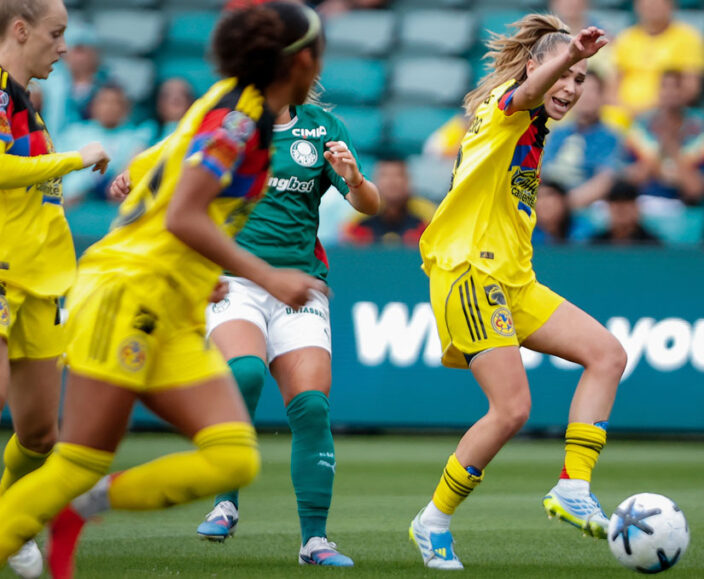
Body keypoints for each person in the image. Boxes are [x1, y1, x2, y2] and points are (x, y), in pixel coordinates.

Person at [0, 4, 327, 578]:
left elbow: (160, 172)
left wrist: (195, 270)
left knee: (234, 458)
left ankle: (83, 506)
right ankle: (62, 501)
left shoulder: (229, 103)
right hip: (126, 294)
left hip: (170, 302)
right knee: (79, 458)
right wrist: (268, 276)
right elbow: (183, 214)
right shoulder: (237, 124)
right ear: (301, 62)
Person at [409, 15, 626, 570]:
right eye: (565, 74)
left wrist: (566, 59)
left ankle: (573, 488)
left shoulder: (535, 128)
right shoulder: (507, 106)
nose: (571, 87)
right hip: (469, 272)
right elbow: (527, 92)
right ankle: (433, 522)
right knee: (511, 409)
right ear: (534, 68)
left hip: (513, 280)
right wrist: (568, 55)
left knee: (607, 355)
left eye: (581, 80)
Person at [186, 99, 379, 566]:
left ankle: (314, 541)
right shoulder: (226, 122)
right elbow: (181, 185)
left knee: (311, 406)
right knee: (245, 373)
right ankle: (225, 501)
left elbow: (369, 205)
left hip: (299, 284)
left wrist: (354, 179)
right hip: (235, 280)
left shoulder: (323, 128)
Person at [0, 0, 110, 575]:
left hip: (40, 283)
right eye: (56, 34)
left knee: (40, 435)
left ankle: (8, 515)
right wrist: (72, 160)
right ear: (21, 30)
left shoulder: (27, 106)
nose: (64, 48)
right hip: (1, 273)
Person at [623, 69, 704, 208]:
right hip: (642, 203)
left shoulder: (702, 133)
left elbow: (696, 190)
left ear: (684, 92)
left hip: (682, 206)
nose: (670, 93)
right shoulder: (640, 127)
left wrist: (673, 148)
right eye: (664, 86)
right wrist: (660, 147)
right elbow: (631, 181)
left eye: (676, 87)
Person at [609, 0, 704, 115]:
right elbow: (612, 85)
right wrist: (622, 109)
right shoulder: (626, 37)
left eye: (657, 3)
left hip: (665, 113)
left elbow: (690, 88)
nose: (652, 8)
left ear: (671, 6)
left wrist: (646, 111)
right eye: (647, 4)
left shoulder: (689, 38)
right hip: (623, 113)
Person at [61, 83, 149, 204]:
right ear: (93, 106)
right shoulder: (73, 133)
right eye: (104, 102)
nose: (109, 107)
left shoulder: (136, 140)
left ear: (126, 109)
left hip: (108, 204)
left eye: (116, 103)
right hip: (65, 202)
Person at [543, 72, 620, 209]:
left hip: (582, 209)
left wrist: (561, 205)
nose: (587, 97)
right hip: (547, 201)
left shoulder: (610, 137)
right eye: (582, 91)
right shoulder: (557, 131)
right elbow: (542, 170)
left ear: (602, 97)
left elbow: (604, 181)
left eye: (593, 91)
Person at [342, 155, 433, 246]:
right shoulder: (360, 217)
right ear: (375, 181)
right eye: (384, 175)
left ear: (408, 180)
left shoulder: (426, 216)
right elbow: (348, 243)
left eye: (398, 175)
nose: (391, 181)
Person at [590, 180, 659, 245]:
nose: (621, 207)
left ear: (636, 207)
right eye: (616, 201)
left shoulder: (652, 245)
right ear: (608, 207)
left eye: (627, 201)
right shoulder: (596, 244)